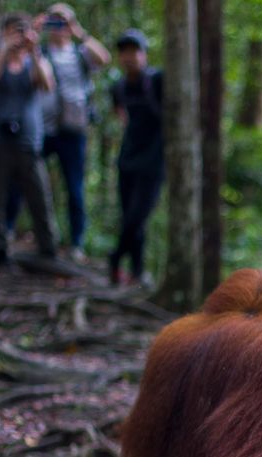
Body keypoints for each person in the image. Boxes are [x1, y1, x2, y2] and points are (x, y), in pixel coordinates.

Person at [5, 3, 110, 263]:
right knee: (22, 178)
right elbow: (15, 60)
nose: (58, 27)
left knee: (74, 188)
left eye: (63, 21)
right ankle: (8, 230)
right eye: (54, 21)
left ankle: (76, 243)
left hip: (73, 130)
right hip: (43, 128)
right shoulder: (38, 50)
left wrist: (79, 32)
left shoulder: (79, 52)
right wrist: (34, 32)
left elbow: (104, 58)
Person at [0, 12, 59, 263]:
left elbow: (47, 85)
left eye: (22, 31)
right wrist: (5, 51)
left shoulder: (37, 61)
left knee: (40, 198)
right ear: (4, 33)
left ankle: (48, 249)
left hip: (29, 143)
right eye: (15, 31)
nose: (19, 36)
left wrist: (34, 52)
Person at [108, 29, 163, 287]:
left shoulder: (158, 81)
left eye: (134, 51)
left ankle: (115, 259)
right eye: (124, 52)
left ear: (144, 54)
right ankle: (137, 272)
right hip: (127, 161)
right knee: (130, 218)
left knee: (137, 217)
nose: (129, 57)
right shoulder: (118, 87)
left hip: (153, 163)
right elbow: (121, 116)